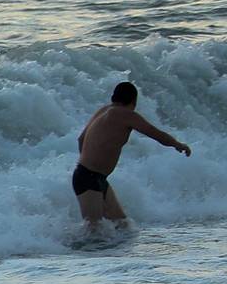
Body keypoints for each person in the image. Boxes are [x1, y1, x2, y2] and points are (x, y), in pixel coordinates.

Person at [72, 81, 191, 229]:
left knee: (122, 225)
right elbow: (155, 133)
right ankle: (63, 248)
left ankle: (115, 252)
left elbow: (81, 139)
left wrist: (91, 161)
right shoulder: (125, 114)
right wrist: (177, 144)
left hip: (94, 176)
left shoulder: (104, 111)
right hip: (88, 177)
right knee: (94, 229)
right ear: (134, 101)